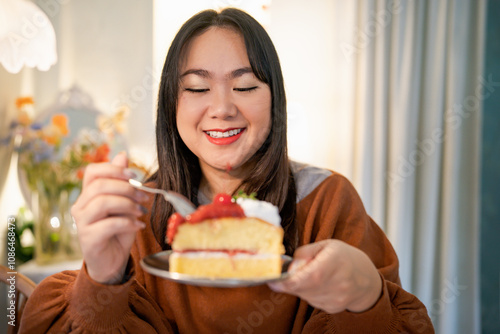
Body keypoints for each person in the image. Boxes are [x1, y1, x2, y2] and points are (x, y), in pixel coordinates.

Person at [19, 8, 434, 334]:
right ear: (171, 106)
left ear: (275, 101)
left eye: (246, 86)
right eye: (198, 88)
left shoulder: (327, 200)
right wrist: (104, 280)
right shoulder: (137, 213)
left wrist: (365, 297)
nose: (221, 108)